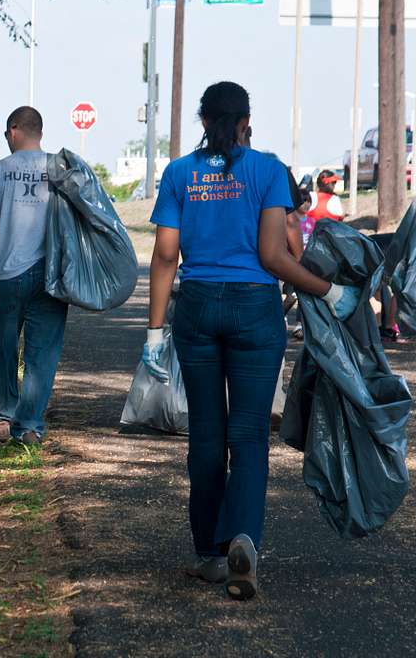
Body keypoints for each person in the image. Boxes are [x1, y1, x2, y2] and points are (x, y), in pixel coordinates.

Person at [143, 81, 360, 601]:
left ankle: (209, 555)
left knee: (206, 434)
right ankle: (243, 538)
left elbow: (166, 256)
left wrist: (154, 332)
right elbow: (273, 257)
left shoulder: (179, 173)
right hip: (254, 310)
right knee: (248, 436)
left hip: (196, 306)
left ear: (202, 120)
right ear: (246, 121)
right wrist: (329, 291)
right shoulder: (266, 170)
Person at [0, 106, 66, 446]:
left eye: (6, 133)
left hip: (8, 274)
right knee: (42, 353)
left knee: (3, 347)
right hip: (52, 275)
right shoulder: (60, 169)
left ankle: (4, 414)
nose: (6, 139)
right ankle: (31, 426)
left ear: (15, 130)